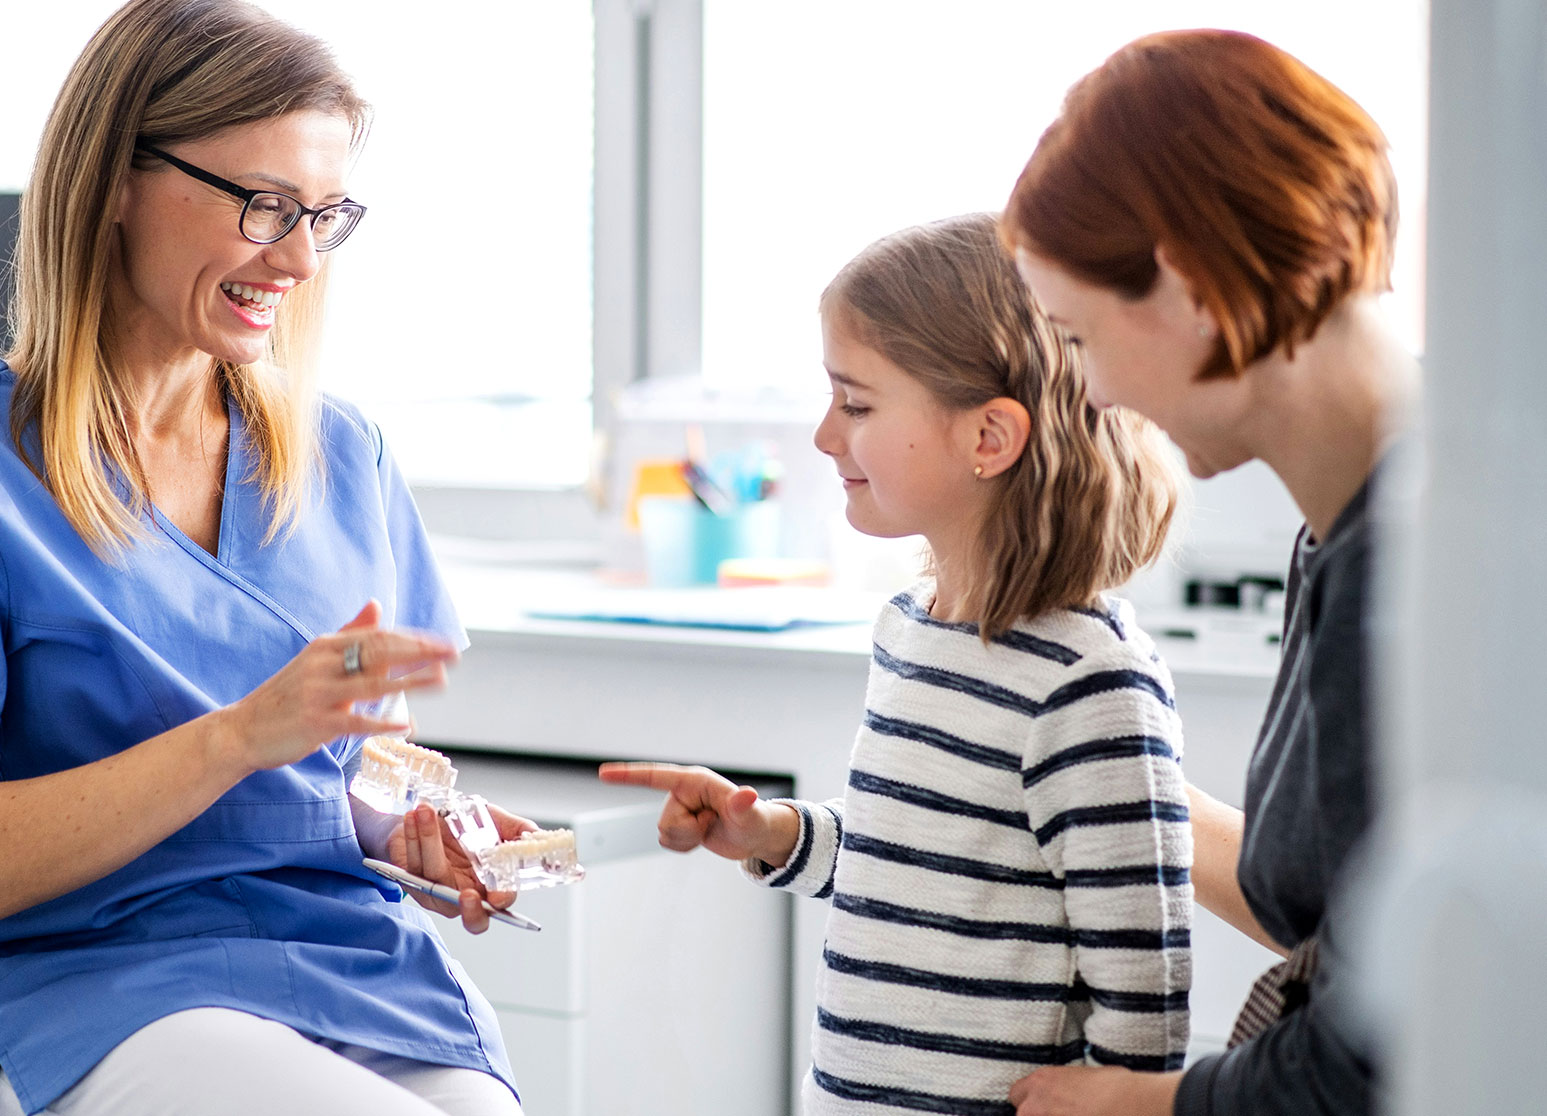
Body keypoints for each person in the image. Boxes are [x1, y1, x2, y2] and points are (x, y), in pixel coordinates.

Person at [0, 2, 531, 1114]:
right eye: (262, 205)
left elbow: (370, 770)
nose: (296, 258)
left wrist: (419, 835)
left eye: (324, 215)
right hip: (98, 994)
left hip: (351, 974)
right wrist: (239, 737)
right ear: (114, 183)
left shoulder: (343, 454)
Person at [601, 213, 1193, 1115]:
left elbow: (1143, 971)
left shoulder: (1087, 680)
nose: (823, 436)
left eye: (858, 404)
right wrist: (774, 836)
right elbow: (915, 861)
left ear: (988, 438)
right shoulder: (911, 630)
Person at [999, 29, 1417, 1116]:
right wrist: (1103, 789)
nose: (1085, 397)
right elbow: (1336, 894)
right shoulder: (1345, 525)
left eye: (1077, 339)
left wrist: (1131, 1105)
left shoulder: (1419, 571)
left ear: (1184, 282)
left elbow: (1373, 1062)